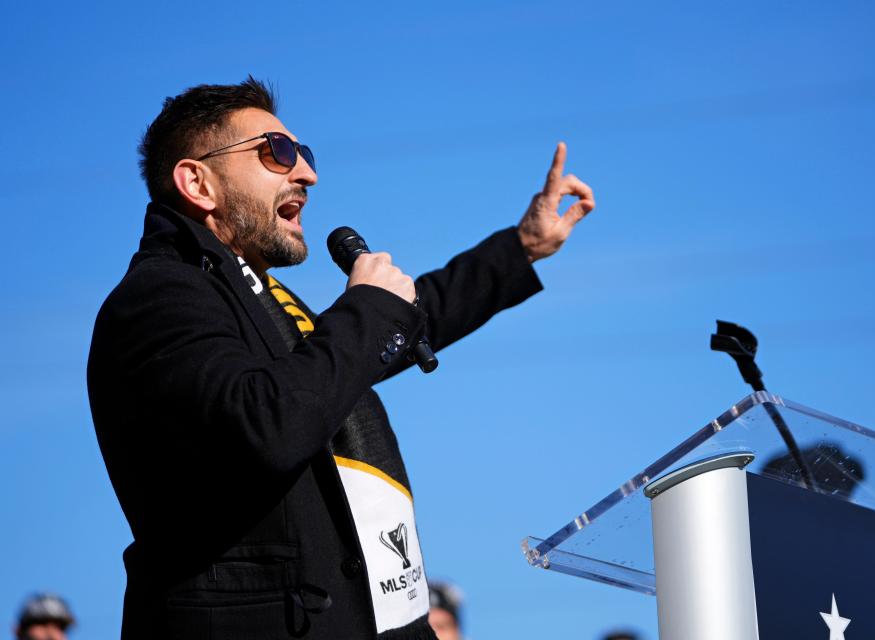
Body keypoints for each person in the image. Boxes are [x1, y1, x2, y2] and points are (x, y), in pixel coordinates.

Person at [87, 77, 594, 640]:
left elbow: (369, 344)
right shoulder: (160, 296)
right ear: (198, 183)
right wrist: (368, 309)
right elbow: (270, 423)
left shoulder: (261, 297)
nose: (306, 172)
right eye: (275, 153)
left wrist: (521, 245)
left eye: (304, 154)